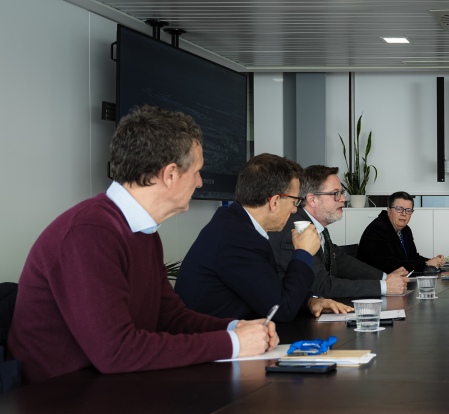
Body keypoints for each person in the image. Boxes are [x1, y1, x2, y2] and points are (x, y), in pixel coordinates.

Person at [7, 106, 278, 383]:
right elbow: (115, 351)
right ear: (170, 174)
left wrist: (236, 328)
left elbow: (169, 318)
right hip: (58, 400)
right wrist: (233, 344)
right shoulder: (88, 233)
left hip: (108, 390)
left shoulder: (142, 232)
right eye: (197, 171)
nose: (199, 182)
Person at [176, 154, 351, 322]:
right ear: (274, 202)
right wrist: (303, 253)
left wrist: (310, 301)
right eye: (294, 202)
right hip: (216, 339)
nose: (294, 210)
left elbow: (268, 290)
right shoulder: (237, 238)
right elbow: (282, 309)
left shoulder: (236, 225)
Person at [269, 165, 409, 298]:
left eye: (342, 193)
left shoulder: (317, 227)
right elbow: (322, 286)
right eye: (336, 193)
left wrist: (385, 277)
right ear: (312, 200)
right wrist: (383, 286)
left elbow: (341, 261)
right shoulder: (296, 231)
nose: (343, 199)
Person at [357, 192, 446, 273]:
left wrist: (433, 261)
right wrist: (426, 264)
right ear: (389, 210)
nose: (404, 214)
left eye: (408, 210)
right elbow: (389, 266)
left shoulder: (405, 230)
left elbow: (413, 257)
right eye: (399, 209)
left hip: (398, 280)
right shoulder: (377, 229)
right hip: (376, 282)